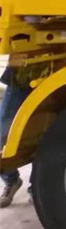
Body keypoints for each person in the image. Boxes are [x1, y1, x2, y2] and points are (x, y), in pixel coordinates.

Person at [0, 63, 31, 208]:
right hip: (22, 72)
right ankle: (11, 180)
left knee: (47, 131)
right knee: (3, 133)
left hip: (56, 67)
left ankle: (37, 186)